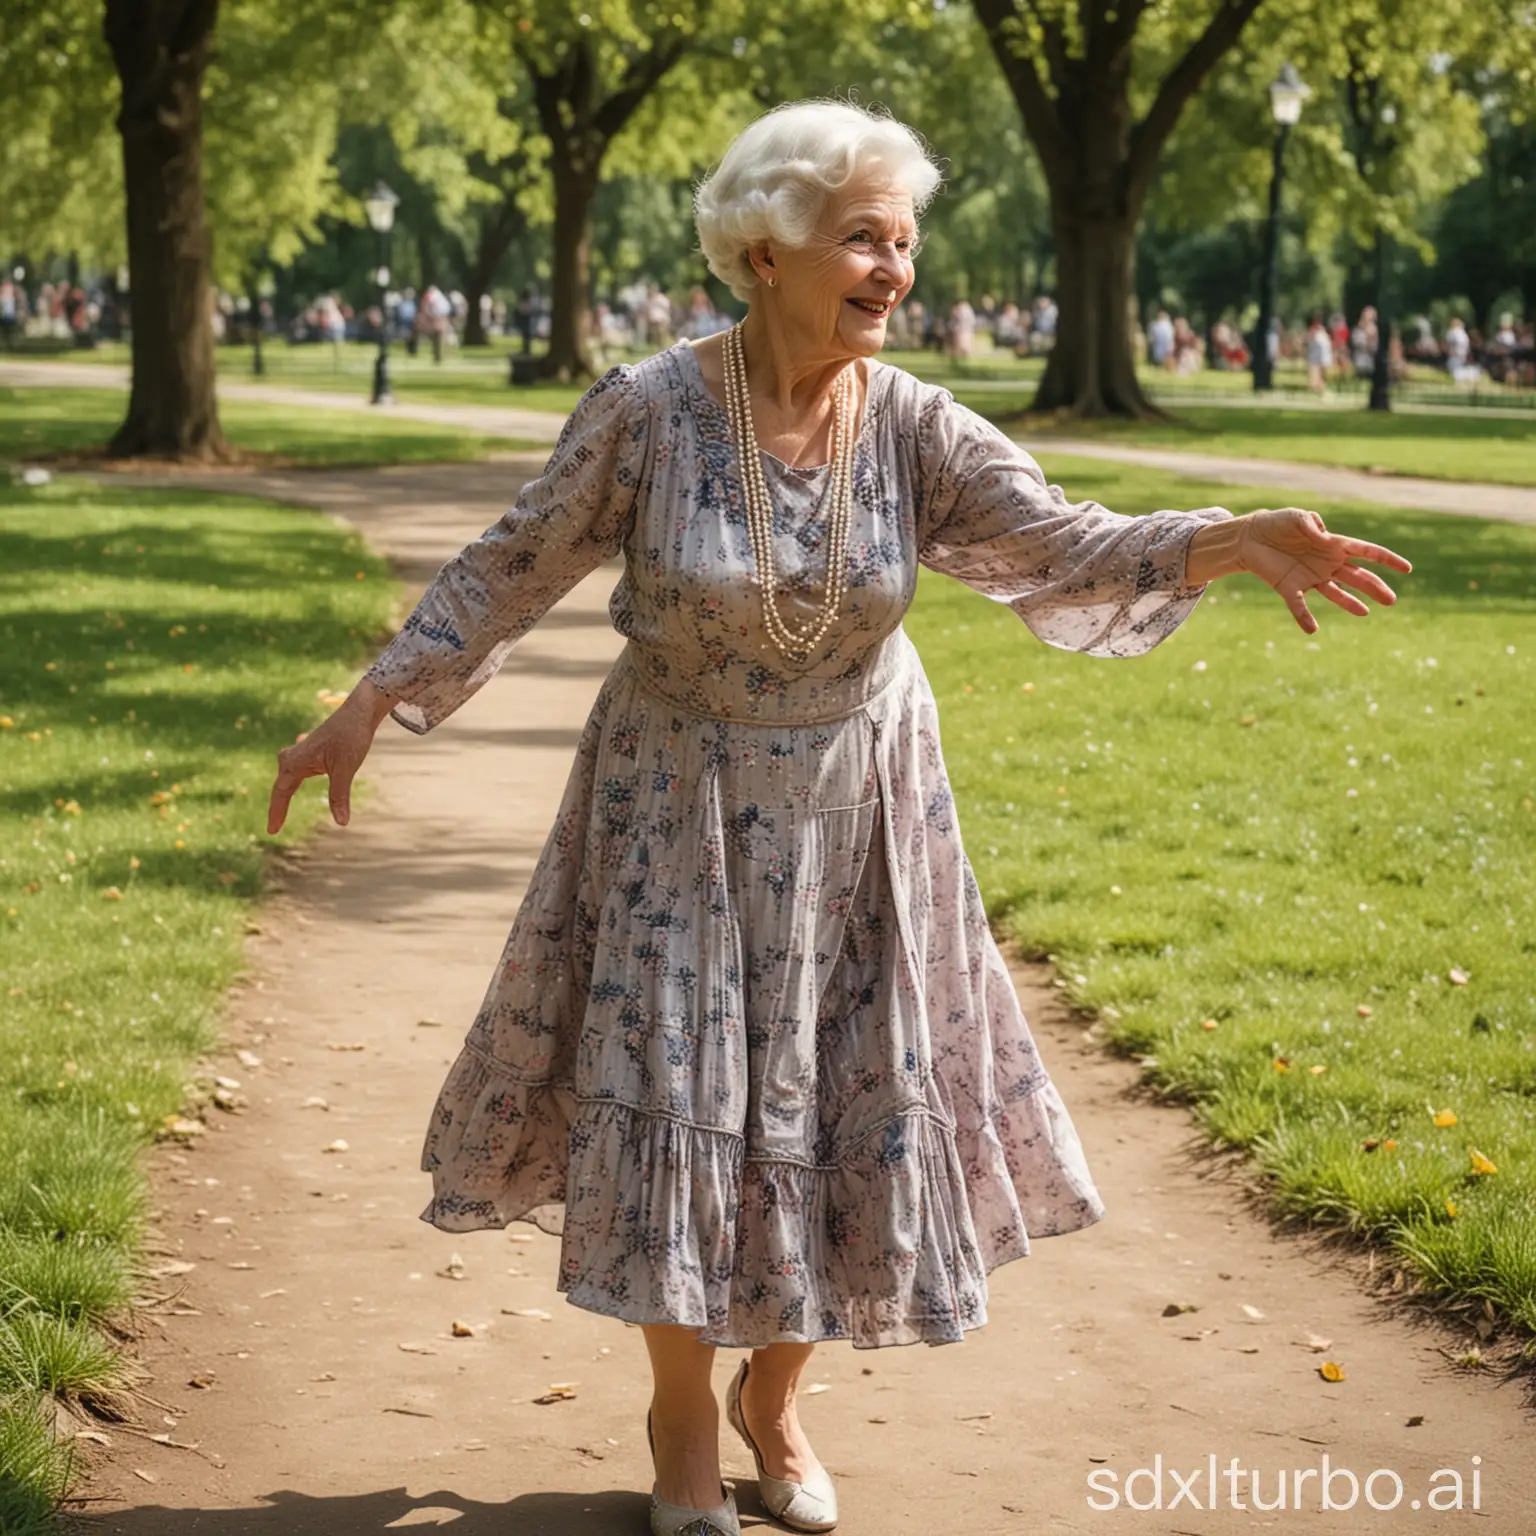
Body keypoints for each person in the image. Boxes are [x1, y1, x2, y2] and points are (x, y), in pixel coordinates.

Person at [266, 99, 1412, 1536]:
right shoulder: (648, 411)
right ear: (765, 251)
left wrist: (1223, 540)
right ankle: (685, 1414)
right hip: (674, 807)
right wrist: (369, 701)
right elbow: (513, 561)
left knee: (849, 1090)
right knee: (684, 1089)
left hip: (865, 809)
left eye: (905, 242)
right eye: (862, 237)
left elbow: (1055, 538)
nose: (893, 268)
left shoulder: (913, 423)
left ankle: (778, 1398)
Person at [1306, 313, 1334, 393]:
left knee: (1322, 373)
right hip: (1315, 356)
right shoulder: (1313, 330)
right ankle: (1314, 387)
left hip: (1323, 355)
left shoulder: (1323, 331)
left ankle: (1321, 386)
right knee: (1314, 371)